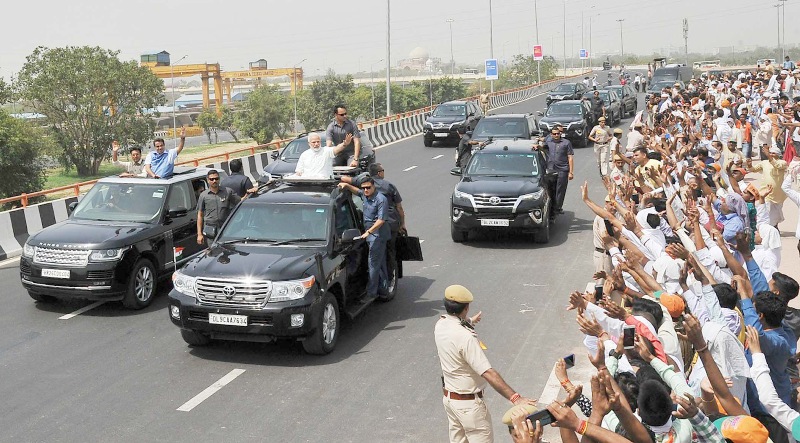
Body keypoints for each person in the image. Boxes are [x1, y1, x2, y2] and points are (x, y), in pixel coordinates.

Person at [434, 285, 534, 443]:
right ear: (466, 308)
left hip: (451, 401)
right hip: (469, 407)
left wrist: (471, 321)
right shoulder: (466, 338)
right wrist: (515, 398)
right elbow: (488, 372)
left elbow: (458, 325)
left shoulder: (441, 325)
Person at [338, 177, 389, 300]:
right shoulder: (365, 195)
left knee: (373, 264)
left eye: (368, 187)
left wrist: (368, 232)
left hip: (377, 236)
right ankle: (384, 290)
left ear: (374, 186)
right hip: (370, 234)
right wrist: (347, 186)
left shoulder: (381, 199)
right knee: (380, 264)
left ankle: (371, 293)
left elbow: (381, 220)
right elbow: (357, 192)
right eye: (364, 188)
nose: (365, 190)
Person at [196, 169, 242, 247]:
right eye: (211, 179)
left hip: (225, 228)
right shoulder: (203, 195)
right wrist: (199, 234)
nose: (214, 181)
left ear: (219, 179)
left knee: (228, 251)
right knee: (213, 252)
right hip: (211, 230)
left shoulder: (227, 192)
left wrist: (249, 193)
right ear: (208, 180)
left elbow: (240, 201)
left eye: (216, 179)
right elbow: (200, 215)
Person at [544, 128, 574, 215]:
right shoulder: (549, 142)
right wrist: (537, 146)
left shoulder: (566, 143)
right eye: (554, 134)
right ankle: (552, 207)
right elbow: (543, 149)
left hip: (563, 170)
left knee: (560, 190)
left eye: (558, 134)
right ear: (551, 134)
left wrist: (571, 172)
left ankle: (557, 208)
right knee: (550, 189)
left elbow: (570, 157)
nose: (556, 135)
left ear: (560, 134)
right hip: (551, 170)